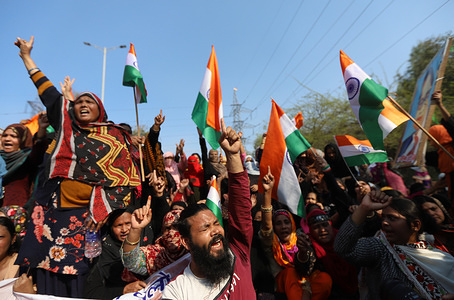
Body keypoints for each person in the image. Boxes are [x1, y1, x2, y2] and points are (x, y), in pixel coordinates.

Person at [14, 36, 141, 297]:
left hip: (91, 221)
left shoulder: (115, 137)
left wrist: (102, 211)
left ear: (100, 110)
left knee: (88, 275)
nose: (83, 104)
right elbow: (49, 94)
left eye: (89, 102)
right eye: (79, 102)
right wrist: (27, 57)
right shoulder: (66, 128)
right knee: (48, 272)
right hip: (52, 215)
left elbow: (125, 182)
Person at [162, 119, 255, 299]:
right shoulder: (178, 291)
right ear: (186, 242)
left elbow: (241, 209)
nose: (215, 231)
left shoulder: (238, 252)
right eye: (205, 228)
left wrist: (234, 156)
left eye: (215, 224)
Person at [335, 190, 454, 299]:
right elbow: (343, 248)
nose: (385, 223)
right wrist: (364, 208)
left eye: (392, 218)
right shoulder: (381, 249)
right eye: (384, 218)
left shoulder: (436, 253)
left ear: (415, 225)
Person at [259, 167, 332, 300]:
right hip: (284, 286)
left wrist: (303, 252)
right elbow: (267, 226)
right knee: (290, 273)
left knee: (324, 279)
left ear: (292, 224)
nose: (283, 226)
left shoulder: (300, 237)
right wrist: (267, 192)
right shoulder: (271, 242)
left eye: (286, 222)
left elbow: (306, 267)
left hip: (305, 283)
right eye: (278, 223)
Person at [84, 208, 147, 300]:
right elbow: (91, 292)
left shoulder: (147, 245)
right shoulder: (104, 253)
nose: (124, 229)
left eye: (128, 223)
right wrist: (124, 290)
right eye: (118, 225)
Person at [296, 209, 359, 299]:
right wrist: (302, 252)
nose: (322, 230)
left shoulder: (343, 238)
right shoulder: (309, 244)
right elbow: (304, 269)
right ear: (310, 230)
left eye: (325, 225)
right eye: (316, 227)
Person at [121, 200, 188, 276]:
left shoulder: (194, 253)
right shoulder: (154, 255)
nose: (172, 232)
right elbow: (131, 262)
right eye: (168, 228)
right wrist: (135, 229)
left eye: (177, 227)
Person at [0, 116, 48, 207]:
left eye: (13, 136)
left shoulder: (27, 158)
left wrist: (41, 130)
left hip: (18, 212)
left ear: (23, 140)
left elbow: (38, 152)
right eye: (5, 135)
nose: (7, 139)